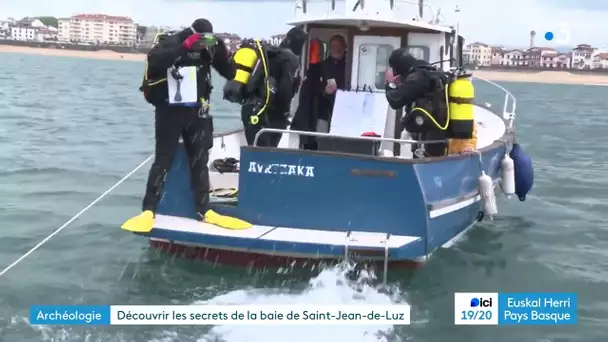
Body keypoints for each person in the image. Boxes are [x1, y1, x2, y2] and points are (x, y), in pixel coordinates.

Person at [122, 19, 251, 233]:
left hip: (197, 112)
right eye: (201, 38)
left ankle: (204, 209)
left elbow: (230, 73)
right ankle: (148, 209)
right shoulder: (172, 42)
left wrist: (219, 49)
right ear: (192, 33)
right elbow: (155, 63)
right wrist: (185, 46)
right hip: (169, 112)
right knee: (163, 159)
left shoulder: (209, 49)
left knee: (200, 161)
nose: (203, 43)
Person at [223, 26, 307, 146]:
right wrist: (282, 114)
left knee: (253, 152)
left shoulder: (269, 54)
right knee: (265, 157)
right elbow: (285, 91)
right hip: (268, 115)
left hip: (249, 109)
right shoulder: (290, 58)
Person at [384, 48, 450, 158]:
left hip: (427, 136)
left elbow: (395, 101)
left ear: (402, 66)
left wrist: (389, 84)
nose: (395, 73)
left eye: (396, 69)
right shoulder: (429, 71)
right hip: (437, 132)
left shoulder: (417, 78)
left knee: (426, 163)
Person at [317, 35, 347, 133]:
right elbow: (316, 83)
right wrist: (324, 90)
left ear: (343, 46)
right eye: (333, 46)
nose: (335, 48)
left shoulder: (350, 63)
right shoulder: (323, 65)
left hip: (345, 104)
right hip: (325, 105)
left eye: (337, 45)